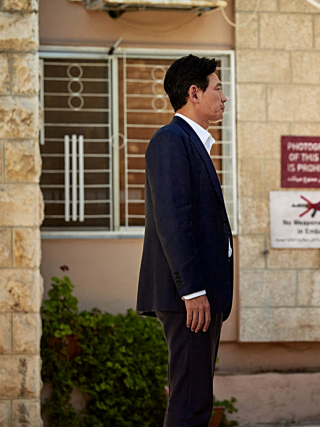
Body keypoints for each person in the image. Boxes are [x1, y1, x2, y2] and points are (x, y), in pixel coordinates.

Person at [136, 55, 233, 427]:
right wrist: (193, 291)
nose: (223, 97)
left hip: (201, 295)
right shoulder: (170, 141)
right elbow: (173, 220)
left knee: (196, 400)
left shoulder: (193, 143)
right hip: (190, 299)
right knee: (190, 402)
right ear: (194, 93)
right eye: (218, 88)